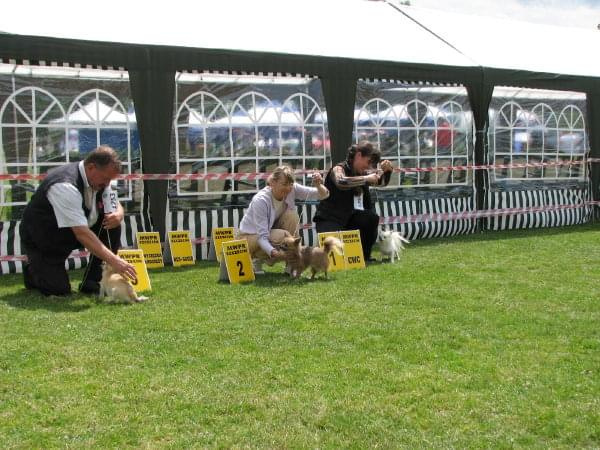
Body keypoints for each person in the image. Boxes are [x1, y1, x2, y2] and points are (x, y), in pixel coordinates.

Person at [20, 146, 137, 296]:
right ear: (91, 167)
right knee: (59, 290)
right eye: (106, 179)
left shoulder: (100, 180)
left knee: (113, 225)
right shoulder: (65, 185)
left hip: (75, 228)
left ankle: (93, 282)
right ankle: (32, 268)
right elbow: (82, 234)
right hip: (45, 236)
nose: (108, 184)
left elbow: (114, 201)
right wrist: (116, 261)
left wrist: (119, 215)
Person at [237, 165, 329, 274]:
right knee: (282, 236)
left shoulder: (292, 188)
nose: (288, 188)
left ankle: (291, 266)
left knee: (291, 216)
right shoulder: (261, 200)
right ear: (273, 182)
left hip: (267, 233)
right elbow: (262, 237)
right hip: (247, 238)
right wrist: (277, 254)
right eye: (284, 184)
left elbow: (324, 195)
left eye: (290, 184)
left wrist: (319, 185)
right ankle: (257, 259)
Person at [314, 141, 393, 262]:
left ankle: (365, 257)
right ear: (358, 155)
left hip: (350, 220)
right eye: (368, 162)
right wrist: (366, 179)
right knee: (334, 256)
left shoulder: (361, 173)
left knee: (371, 217)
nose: (369, 167)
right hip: (330, 219)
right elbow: (341, 182)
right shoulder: (338, 168)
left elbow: (381, 182)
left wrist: (387, 171)